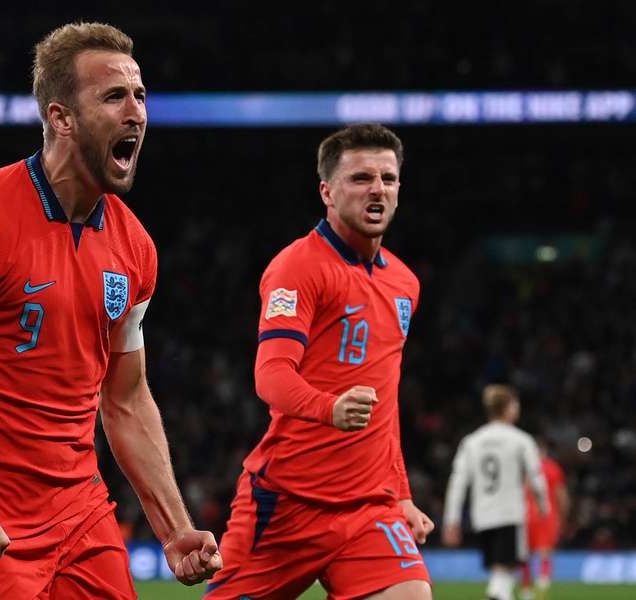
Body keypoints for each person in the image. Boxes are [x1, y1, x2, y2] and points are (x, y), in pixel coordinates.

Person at [0, 22, 221, 600]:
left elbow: (126, 397)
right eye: (114, 96)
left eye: (140, 96)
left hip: (82, 514)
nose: (136, 112)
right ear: (61, 117)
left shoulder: (135, 248)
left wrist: (175, 527)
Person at [206, 123, 433, 600]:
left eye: (388, 179)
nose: (378, 189)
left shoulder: (405, 284)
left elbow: (385, 405)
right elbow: (271, 377)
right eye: (361, 178)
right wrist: (330, 408)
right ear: (327, 192)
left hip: (370, 507)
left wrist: (403, 494)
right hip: (287, 503)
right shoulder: (298, 267)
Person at [442, 384, 549, 600]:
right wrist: (543, 505)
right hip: (510, 513)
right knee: (505, 569)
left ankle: (496, 594)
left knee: (500, 570)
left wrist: (451, 519)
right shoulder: (522, 440)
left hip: (482, 516)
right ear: (509, 408)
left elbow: (458, 482)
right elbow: (536, 477)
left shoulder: (472, 441)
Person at [520, 438, 569, 600]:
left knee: (524, 554)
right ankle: (542, 587)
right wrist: (564, 517)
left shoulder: (524, 470)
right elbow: (561, 495)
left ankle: (526, 590)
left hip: (525, 516)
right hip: (547, 515)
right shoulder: (552, 468)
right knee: (545, 553)